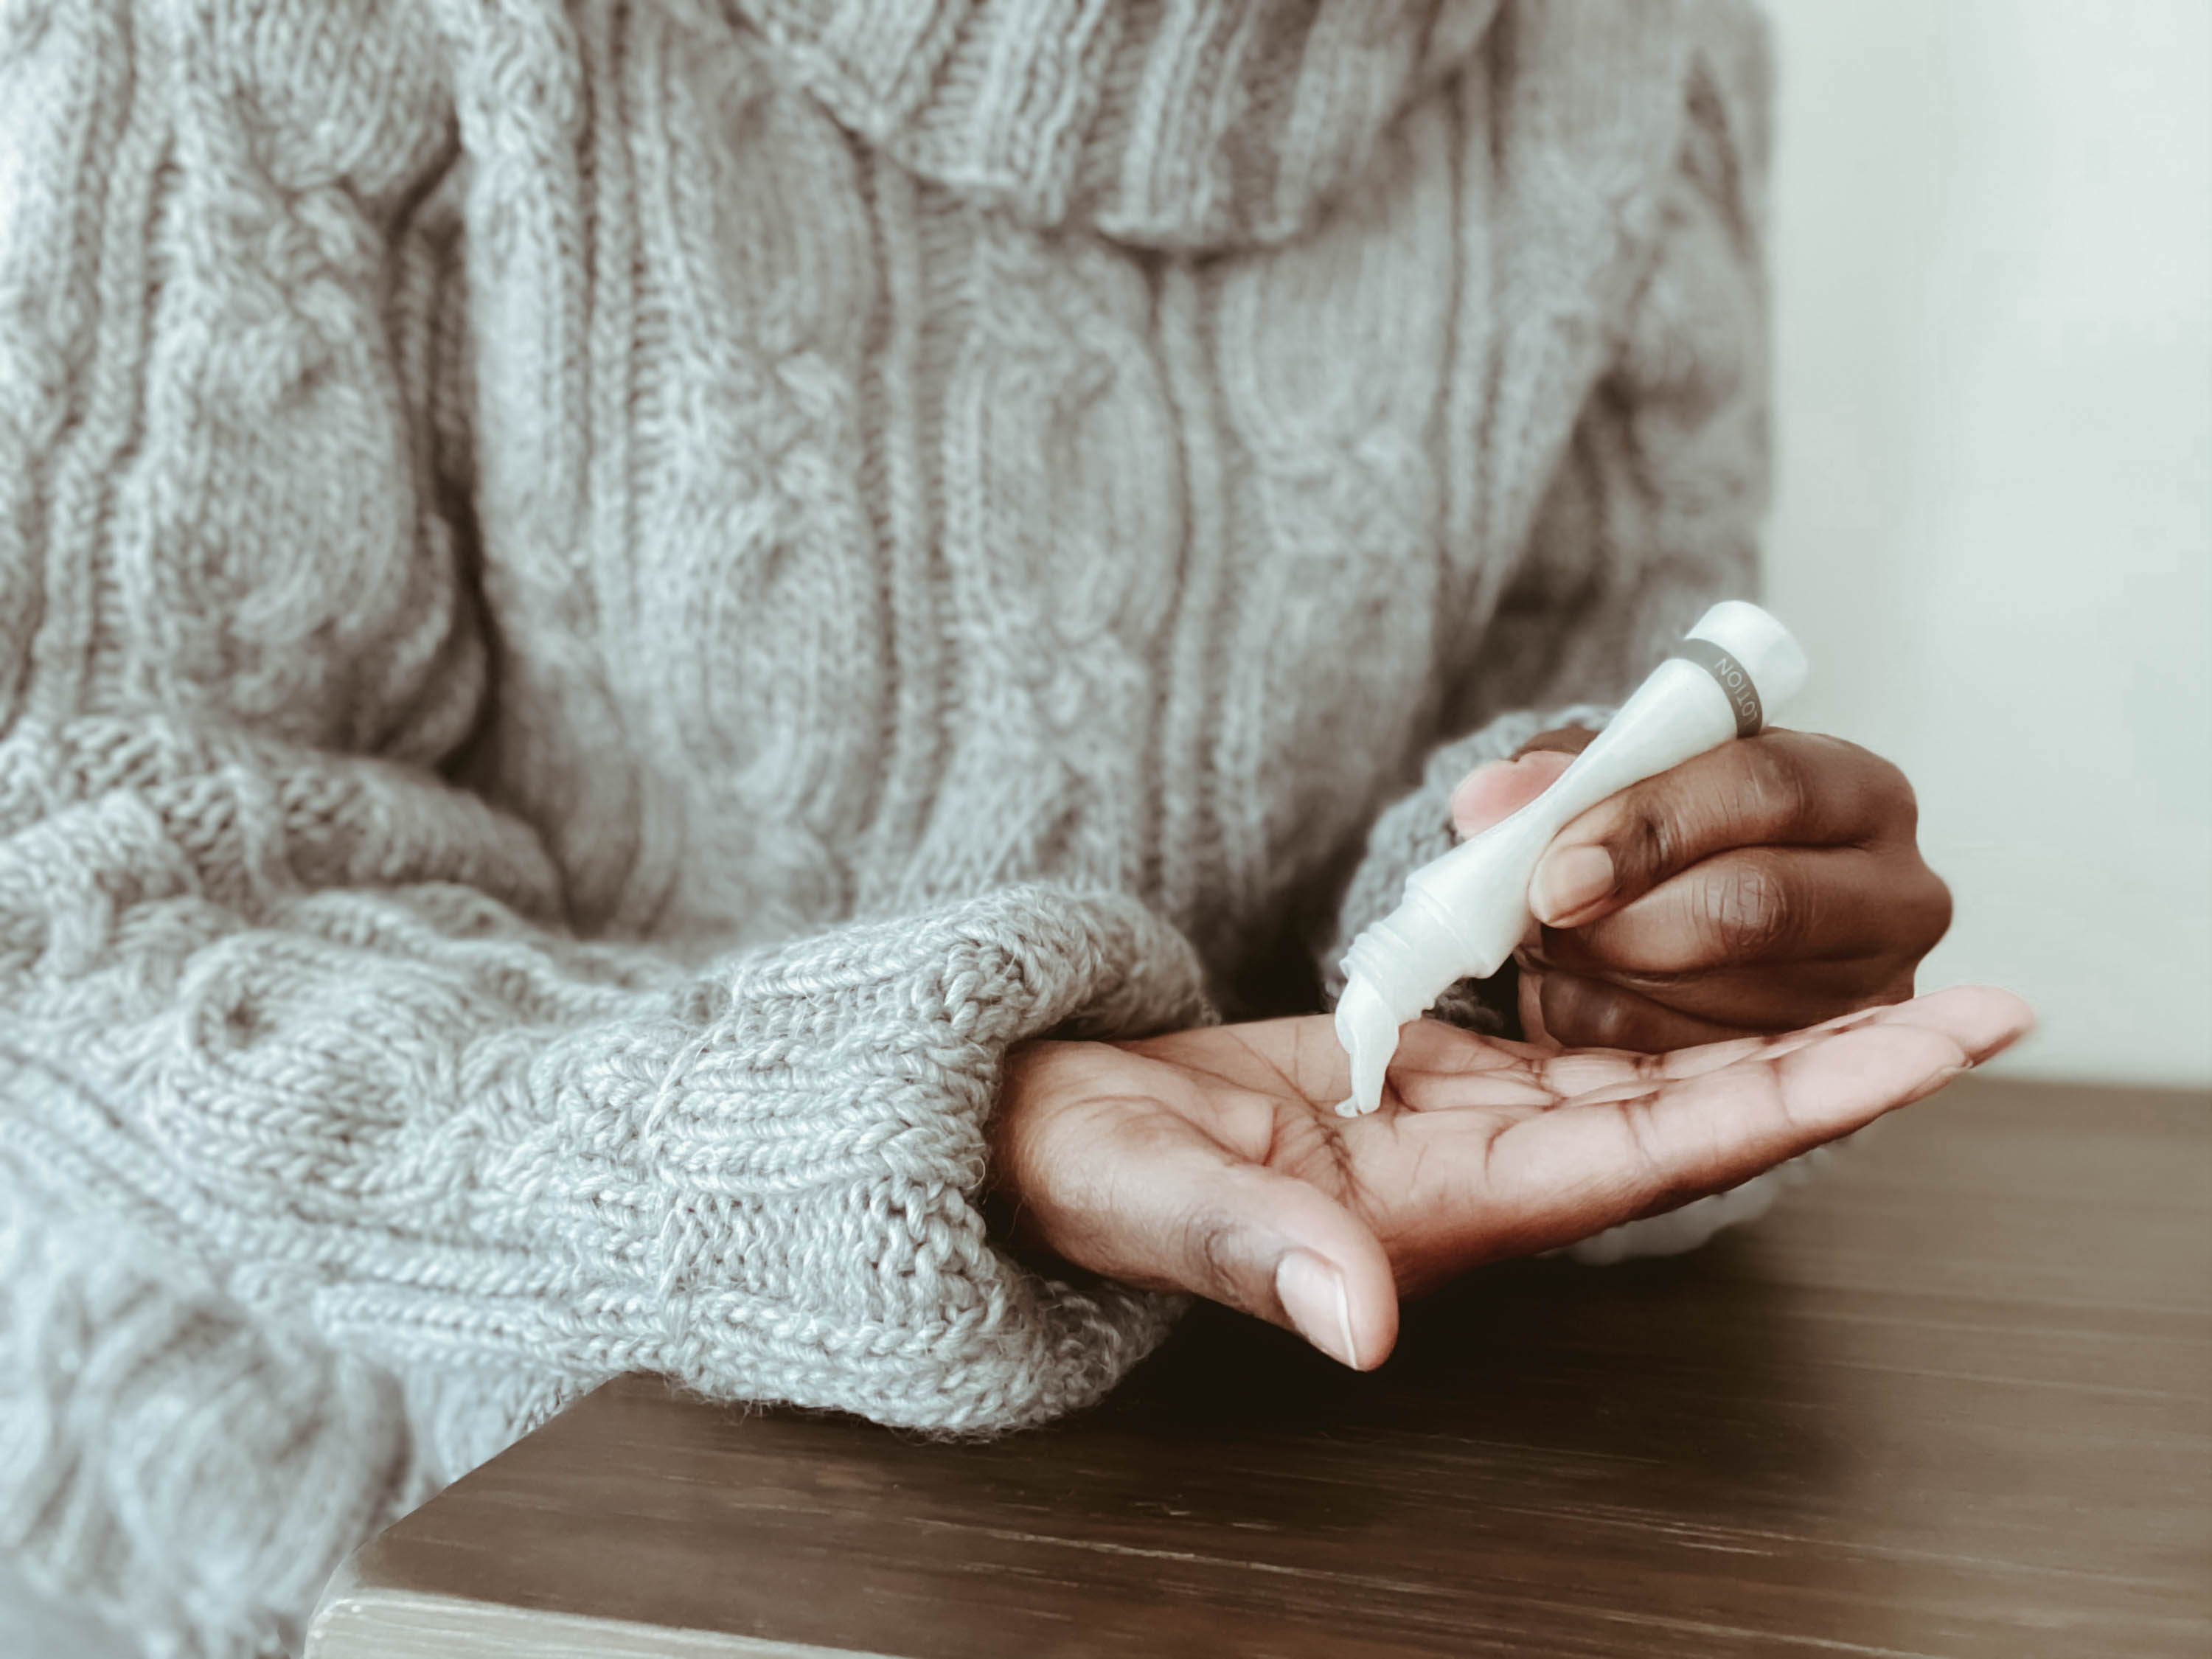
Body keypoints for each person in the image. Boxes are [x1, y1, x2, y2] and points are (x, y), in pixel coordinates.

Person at [0, 0, 2029, 1652]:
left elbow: (1545, 729)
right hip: (357, 1538)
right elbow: (82, 902)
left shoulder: (1621, 46)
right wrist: (943, 1124)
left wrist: (1576, 949)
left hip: (1225, 1505)